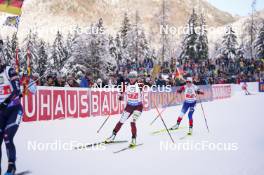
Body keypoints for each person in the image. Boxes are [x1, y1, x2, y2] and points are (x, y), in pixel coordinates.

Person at [105, 71, 144, 147]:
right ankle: (112, 136)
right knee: (121, 121)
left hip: (138, 107)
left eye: (133, 77)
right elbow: (121, 93)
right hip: (129, 106)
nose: (131, 79)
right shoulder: (126, 85)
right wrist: (120, 96)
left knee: (132, 122)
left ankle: (133, 139)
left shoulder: (139, 84)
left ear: (136, 78)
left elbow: (148, 86)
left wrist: (146, 86)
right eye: (130, 77)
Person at [0, 56, 22, 175]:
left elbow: (17, 91)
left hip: (14, 109)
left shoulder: (9, 71)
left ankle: (11, 166)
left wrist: (6, 102)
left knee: (7, 136)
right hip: (1, 113)